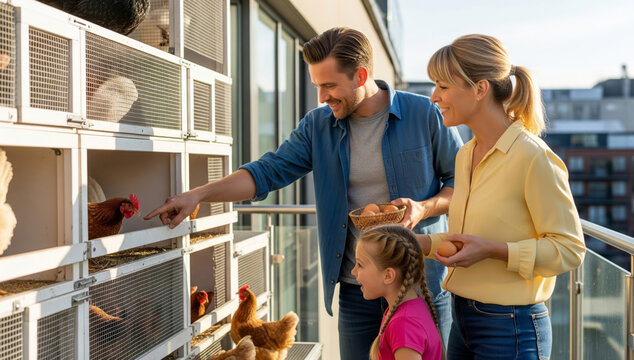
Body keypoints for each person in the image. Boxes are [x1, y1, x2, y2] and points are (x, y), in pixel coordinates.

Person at [145, 27, 463, 359]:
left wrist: (423, 208)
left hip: (420, 287)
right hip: (360, 288)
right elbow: (267, 171)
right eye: (317, 87)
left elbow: (461, 183)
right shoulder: (318, 125)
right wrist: (199, 194)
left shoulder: (424, 114)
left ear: (361, 75)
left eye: (329, 86)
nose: (322, 97)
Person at [415, 34, 586, 359]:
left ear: (480, 89)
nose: (434, 96)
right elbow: (468, 241)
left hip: (512, 327)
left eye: (443, 86)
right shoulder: (466, 154)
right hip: (463, 318)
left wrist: (495, 251)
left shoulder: (532, 157)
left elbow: (570, 250)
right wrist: (417, 244)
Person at [352, 225, 443, 360]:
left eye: (360, 264)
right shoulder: (409, 307)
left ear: (388, 275)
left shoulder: (403, 324)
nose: (353, 272)